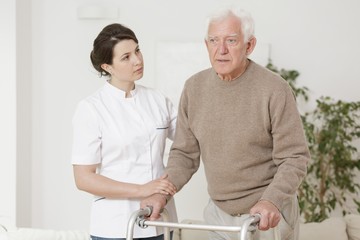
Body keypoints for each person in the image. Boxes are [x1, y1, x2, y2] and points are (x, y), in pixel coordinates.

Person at [140, 7, 310, 240]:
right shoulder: (194, 88)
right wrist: (162, 193)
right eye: (214, 41)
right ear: (206, 44)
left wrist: (272, 200)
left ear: (249, 45)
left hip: (266, 213)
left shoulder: (274, 89)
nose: (221, 50)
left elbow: (294, 157)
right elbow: (184, 155)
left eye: (231, 40)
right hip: (219, 213)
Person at [71, 23, 178, 240]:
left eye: (137, 50)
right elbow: (84, 179)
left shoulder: (158, 99)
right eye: (126, 57)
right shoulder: (91, 109)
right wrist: (143, 189)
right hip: (115, 225)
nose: (137, 60)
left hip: (161, 220)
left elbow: (190, 141)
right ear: (107, 67)